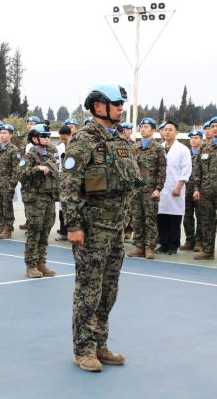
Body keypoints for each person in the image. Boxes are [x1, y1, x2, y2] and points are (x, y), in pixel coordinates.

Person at [62, 84, 140, 372]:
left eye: (121, 104)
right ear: (98, 106)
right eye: (116, 104)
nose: (121, 108)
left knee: (109, 290)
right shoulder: (83, 140)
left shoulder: (120, 139)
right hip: (91, 228)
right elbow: (68, 186)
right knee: (88, 290)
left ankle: (100, 344)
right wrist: (73, 226)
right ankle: (83, 350)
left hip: (116, 228)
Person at [18, 123, 59, 278]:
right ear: (35, 138)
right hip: (34, 199)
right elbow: (20, 175)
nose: (48, 138)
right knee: (34, 231)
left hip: (49, 197)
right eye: (44, 136)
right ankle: (31, 265)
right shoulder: (29, 155)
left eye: (48, 136)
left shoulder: (53, 152)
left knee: (45, 230)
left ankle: (41, 262)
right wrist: (37, 169)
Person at [127, 117, 166, 260]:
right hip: (135, 190)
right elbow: (129, 168)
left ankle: (149, 248)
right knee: (136, 219)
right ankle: (139, 247)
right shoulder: (134, 148)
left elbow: (162, 170)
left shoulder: (158, 148)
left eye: (146, 127)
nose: (143, 129)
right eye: (141, 127)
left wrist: (158, 188)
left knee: (149, 219)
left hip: (150, 190)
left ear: (153, 130)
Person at [156, 121, 192, 255]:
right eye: (165, 129)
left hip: (175, 188)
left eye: (170, 130)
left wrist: (179, 186)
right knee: (161, 218)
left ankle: (173, 245)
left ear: (176, 132)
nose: (167, 132)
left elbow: (186, 169)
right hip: (160, 189)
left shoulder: (183, 149)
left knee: (174, 219)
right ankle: (163, 244)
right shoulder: (159, 148)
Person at [193, 116, 217, 260]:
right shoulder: (204, 147)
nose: (215, 129)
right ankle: (208, 250)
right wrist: (196, 188)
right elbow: (198, 170)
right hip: (206, 191)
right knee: (207, 221)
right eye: (213, 126)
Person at [181, 129, 204, 251]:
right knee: (187, 217)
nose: (193, 140)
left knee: (200, 216)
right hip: (186, 189)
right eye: (191, 138)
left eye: (196, 138)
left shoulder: (205, 153)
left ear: (201, 139)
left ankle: (199, 242)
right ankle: (190, 240)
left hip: (200, 190)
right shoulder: (186, 154)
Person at [55, 125, 73, 241]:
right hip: (62, 180)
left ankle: (73, 232)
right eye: (61, 139)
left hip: (73, 181)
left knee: (72, 208)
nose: (62, 141)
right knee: (62, 207)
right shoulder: (59, 147)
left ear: (70, 135)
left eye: (64, 139)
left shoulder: (76, 146)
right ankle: (63, 231)